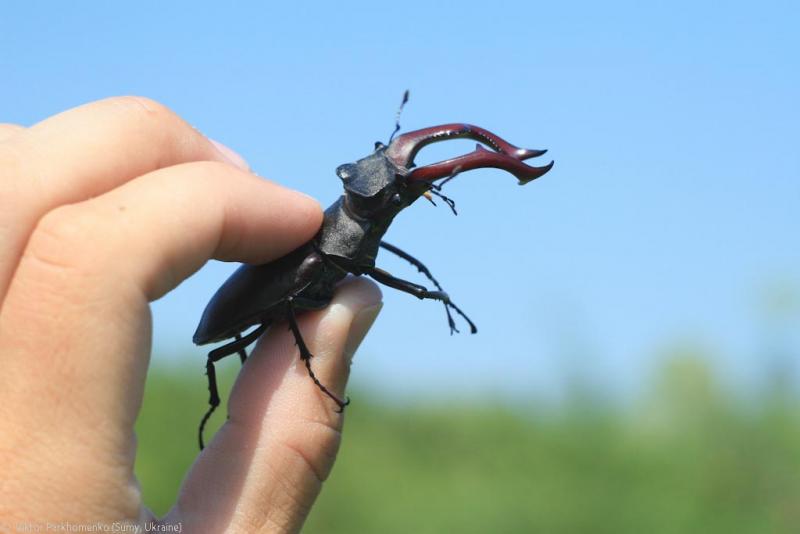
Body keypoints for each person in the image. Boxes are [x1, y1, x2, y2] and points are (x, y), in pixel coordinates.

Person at [0, 96, 383, 533]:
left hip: (259, 304)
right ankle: (218, 404)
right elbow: (292, 305)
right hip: (236, 316)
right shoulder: (315, 259)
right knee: (282, 312)